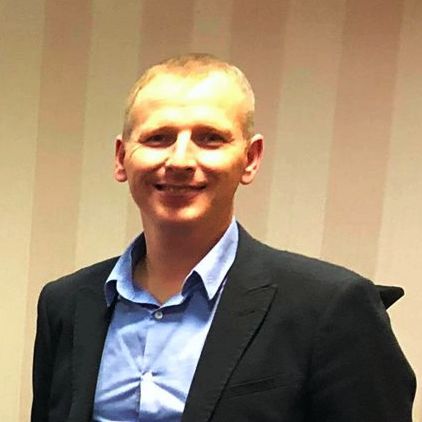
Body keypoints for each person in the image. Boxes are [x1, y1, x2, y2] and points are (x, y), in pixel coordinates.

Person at [32, 53, 415, 422]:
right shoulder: (66, 304)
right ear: (121, 157)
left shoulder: (331, 307)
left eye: (210, 138)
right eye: (158, 138)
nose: (180, 160)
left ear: (251, 158)